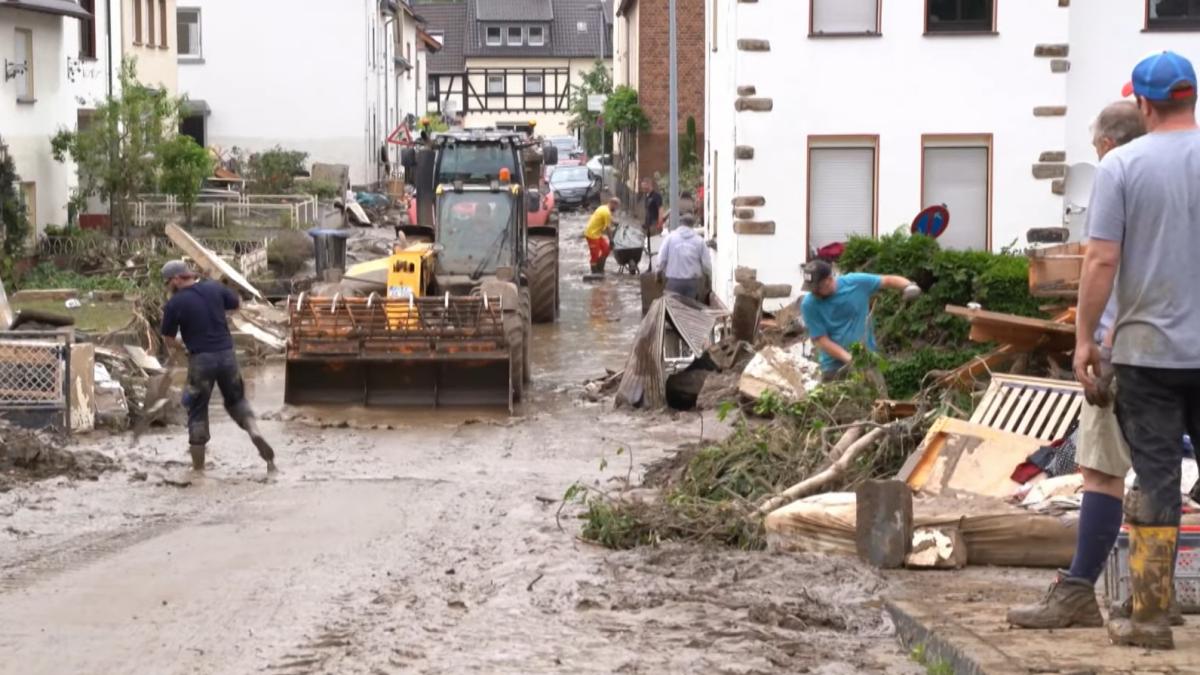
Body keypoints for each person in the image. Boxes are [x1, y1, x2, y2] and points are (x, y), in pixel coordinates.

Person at [1008, 101, 1152, 630]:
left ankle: (1078, 591)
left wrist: (1086, 337)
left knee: (1101, 470)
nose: (1096, 154)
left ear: (1110, 144)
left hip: (1126, 347)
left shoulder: (1118, 176)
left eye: (1095, 146)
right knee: (1159, 472)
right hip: (1183, 346)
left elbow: (1101, 259)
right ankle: (1155, 597)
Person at [1075, 51, 1200, 650]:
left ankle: (1151, 615)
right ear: (1192, 98)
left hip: (1148, 354)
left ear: (1144, 105)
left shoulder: (1122, 166)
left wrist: (1083, 339)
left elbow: (1101, 259)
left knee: (1156, 479)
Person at [160, 261, 277, 475]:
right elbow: (236, 303)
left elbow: (168, 339)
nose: (169, 287)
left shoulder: (175, 303)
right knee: (237, 401)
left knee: (197, 409)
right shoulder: (214, 287)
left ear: (177, 279)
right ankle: (254, 431)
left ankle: (198, 471)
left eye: (168, 282)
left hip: (201, 360)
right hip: (227, 356)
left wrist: (181, 347)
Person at [800, 259, 920, 382]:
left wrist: (908, 286)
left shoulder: (855, 283)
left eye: (817, 288)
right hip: (834, 368)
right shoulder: (809, 305)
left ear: (829, 280)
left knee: (876, 397)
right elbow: (821, 340)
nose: (814, 292)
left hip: (867, 358)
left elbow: (887, 280)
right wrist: (851, 359)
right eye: (811, 289)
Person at [656, 214, 711, 300]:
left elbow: (662, 258)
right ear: (693, 224)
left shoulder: (670, 238)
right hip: (692, 282)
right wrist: (708, 278)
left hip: (673, 281)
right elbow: (706, 264)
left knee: (673, 308)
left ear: (680, 223)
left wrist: (658, 272)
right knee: (690, 309)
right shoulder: (699, 240)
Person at [585, 197, 619, 274]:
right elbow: (608, 228)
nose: (616, 209)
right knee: (595, 255)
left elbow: (607, 219)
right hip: (592, 235)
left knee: (606, 249)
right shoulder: (606, 212)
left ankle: (600, 267)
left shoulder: (603, 207)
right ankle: (594, 272)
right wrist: (611, 240)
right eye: (617, 207)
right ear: (613, 204)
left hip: (597, 234)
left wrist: (614, 223)